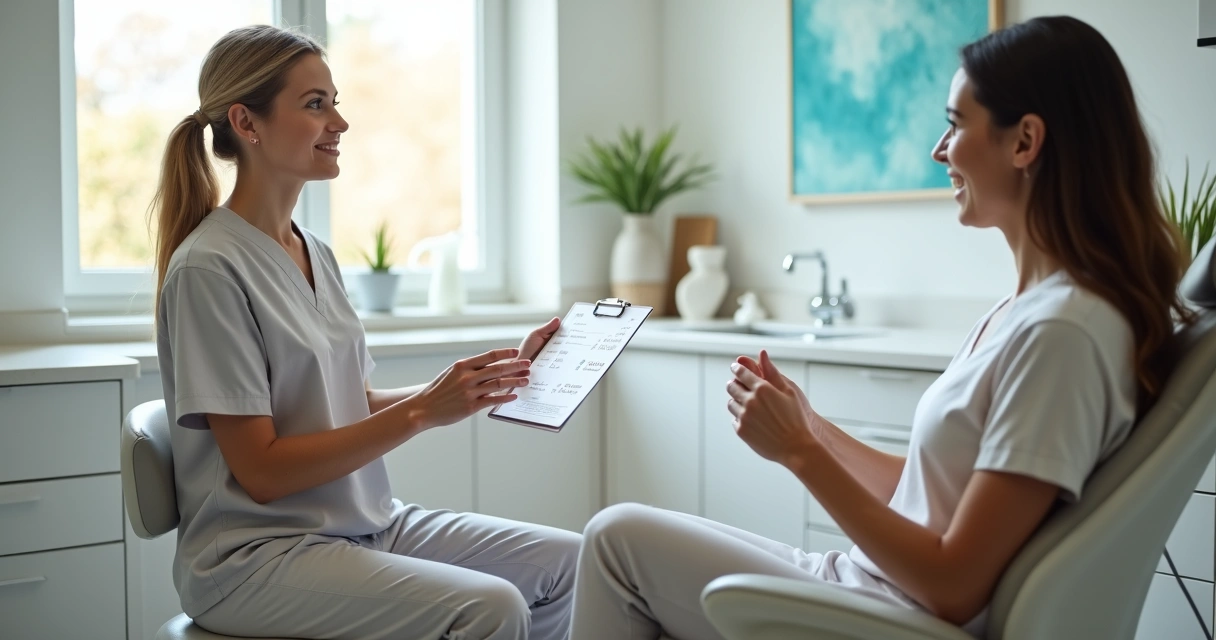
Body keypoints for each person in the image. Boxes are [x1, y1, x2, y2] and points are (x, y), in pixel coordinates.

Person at [569, 15, 1194, 640]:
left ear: (1024, 142)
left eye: (954, 125)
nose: (939, 150)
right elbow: (928, 496)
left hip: (897, 618)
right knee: (619, 539)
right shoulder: (1029, 312)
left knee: (614, 540)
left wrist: (801, 453)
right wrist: (812, 427)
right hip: (866, 586)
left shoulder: (1064, 334)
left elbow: (954, 586)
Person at [152, 25, 577, 640]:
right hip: (255, 558)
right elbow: (263, 472)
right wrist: (425, 412)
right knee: (491, 607)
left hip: (361, 524)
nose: (340, 123)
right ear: (247, 122)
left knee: (567, 563)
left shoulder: (313, 252)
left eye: (335, 102)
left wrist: (483, 382)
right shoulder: (209, 268)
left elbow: (344, 404)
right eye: (315, 104)